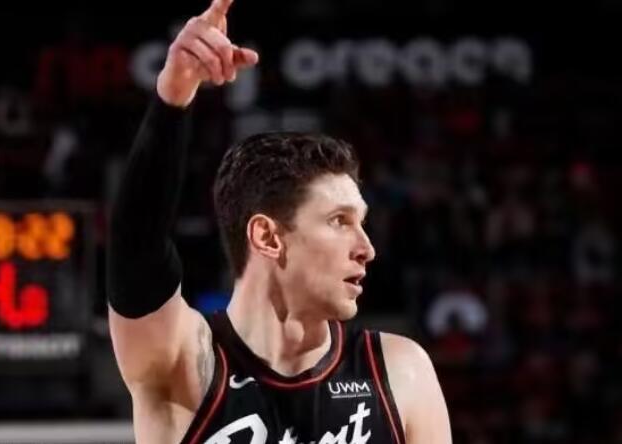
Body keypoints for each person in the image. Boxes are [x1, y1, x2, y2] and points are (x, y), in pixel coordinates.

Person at [106, 1, 452, 443]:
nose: (366, 248)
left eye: (361, 222)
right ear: (268, 236)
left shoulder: (400, 372)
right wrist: (173, 98)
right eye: (339, 221)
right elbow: (137, 251)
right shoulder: (185, 364)